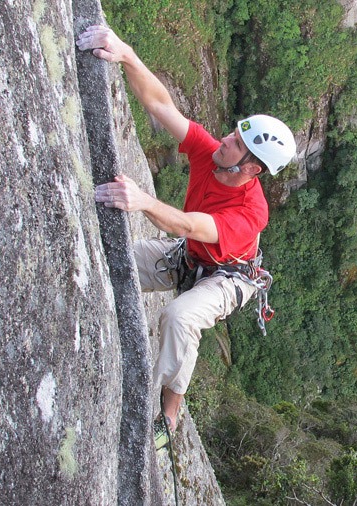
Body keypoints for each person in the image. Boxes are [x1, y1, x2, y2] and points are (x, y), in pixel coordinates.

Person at [76, 26, 297, 434]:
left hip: (228, 277)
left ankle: (170, 405)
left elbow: (190, 224)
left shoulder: (252, 212)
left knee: (179, 317)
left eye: (236, 142)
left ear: (249, 169)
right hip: (190, 255)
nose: (226, 139)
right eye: (234, 131)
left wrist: (142, 201)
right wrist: (127, 54)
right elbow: (161, 106)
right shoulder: (212, 154)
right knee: (113, 259)